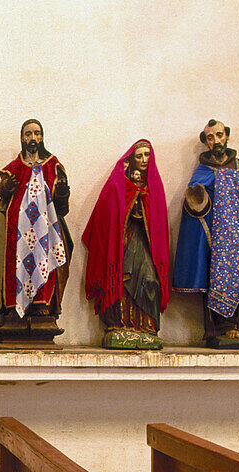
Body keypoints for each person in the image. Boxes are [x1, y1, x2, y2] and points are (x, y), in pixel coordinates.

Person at [173, 119, 239, 343]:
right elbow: (195, 201)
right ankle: (225, 326)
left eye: (219, 135)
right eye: (210, 137)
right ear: (206, 142)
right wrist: (197, 199)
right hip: (220, 238)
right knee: (220, 277)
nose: (216, 141)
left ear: (227, 136)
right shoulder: (202, 170)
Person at [81, 139, 171, 349]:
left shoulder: (155, 186)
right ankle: (119, 325)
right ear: (131, 159)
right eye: (138, 156)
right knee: (120, 280)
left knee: (150, 280)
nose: (143, 160)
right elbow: (105, 215)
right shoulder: (118, 184)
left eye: (146, 155)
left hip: (145, 243)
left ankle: (147, 326)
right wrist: (130, 196)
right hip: (123, 241)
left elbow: (159, 223)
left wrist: (143, 199)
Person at [0, 119, 72, 342]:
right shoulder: (13, 168)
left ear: (42, 136)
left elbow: (61, 206)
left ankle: (40, 307)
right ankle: (14, 308)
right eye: (28, 134)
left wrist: (63, 193)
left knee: (43, 261)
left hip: (44, 230)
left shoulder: (53, 165)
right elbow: (3, 197)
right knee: (15, 264)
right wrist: (6, 188)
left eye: (37, 133)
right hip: (17, 231)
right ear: (22, 138)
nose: (33, 138)